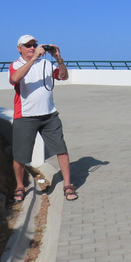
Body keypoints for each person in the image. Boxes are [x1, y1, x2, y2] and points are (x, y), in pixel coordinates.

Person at [9, 35, 78, 202]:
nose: (32, 48)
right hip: (25, 116)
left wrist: (59, 59)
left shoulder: (47, 64)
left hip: (49, 115)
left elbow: (63, 76)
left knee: (61, 150)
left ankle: (67, 184)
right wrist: (33, 59)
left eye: (34, 45)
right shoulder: (16, 65)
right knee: (20, 156)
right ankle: (19, 186)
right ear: (20, 48)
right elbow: (14, 79)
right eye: (28, 46)